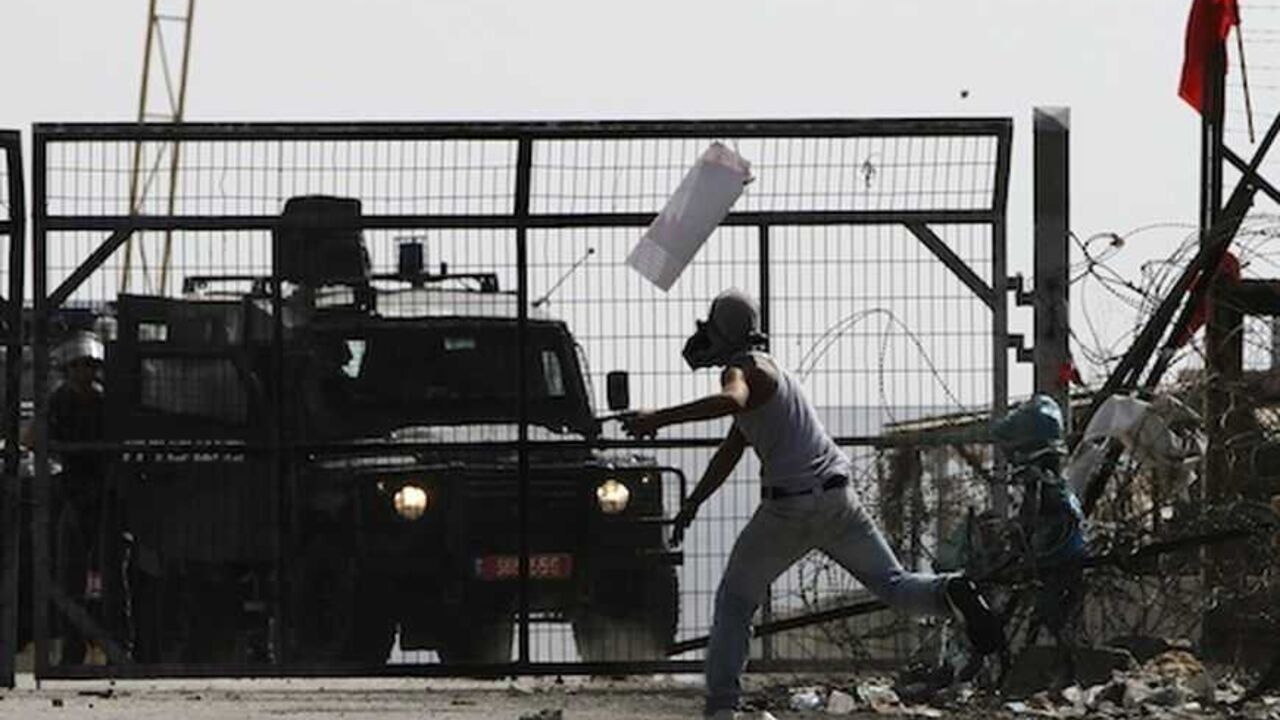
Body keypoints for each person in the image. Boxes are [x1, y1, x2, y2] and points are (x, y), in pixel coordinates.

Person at [621, 289, 1003, 719]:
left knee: (735, 599)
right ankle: (951, 590)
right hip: (838, 498)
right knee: (894, 585)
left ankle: (721, 709)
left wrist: (657, 418)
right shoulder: (776, 376)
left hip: (790, 509)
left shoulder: (742, 369)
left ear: (723, 333)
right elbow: (731, 450)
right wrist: (693, 503)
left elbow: (732, 400)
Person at [49, 330, 107, 665]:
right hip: (74, 494)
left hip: (100, 496)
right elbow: (36, 439)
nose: (84, 373)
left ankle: (112, 647)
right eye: (78, 367)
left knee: (105, 578)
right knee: (71, 576)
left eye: (88, 366)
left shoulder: (102, 401)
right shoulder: (61, 401)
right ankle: (74, 649)